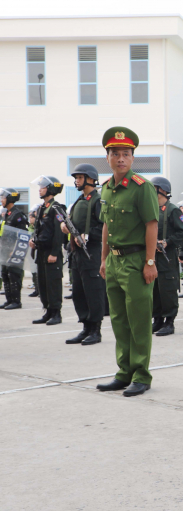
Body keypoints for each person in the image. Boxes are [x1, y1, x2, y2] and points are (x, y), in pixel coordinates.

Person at [95, 127, 160, 397]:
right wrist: (103, 259)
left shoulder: (141, 188)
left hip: (136, 261)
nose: (120, 158)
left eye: (125, 154)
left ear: (132, 158)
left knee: (139, 321)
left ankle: (142, 375)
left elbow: (152, 225)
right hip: (114, 262)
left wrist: (150, 261)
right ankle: (124, 372)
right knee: (119, 321)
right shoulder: (107, 189)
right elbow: (106, 227)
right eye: (115, 154)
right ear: (107, 157)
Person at [62, 165, 106, 345]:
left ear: (90, 179)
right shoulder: (80, 201)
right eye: (77, 178)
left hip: (92, 253)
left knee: (93, 292)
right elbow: (72, 224)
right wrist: (65, 228)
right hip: (77, 253)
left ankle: (96, 330)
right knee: (79, 292)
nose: (77, 181)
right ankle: (86, 327)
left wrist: (87, 236)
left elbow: (105, 227)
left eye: (80, 177)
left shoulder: (98, 201)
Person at [150, 176, 183, 337]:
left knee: (167, 289)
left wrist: (168, 242)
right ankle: (157, 319)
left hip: (167, 256)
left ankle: (169, 322)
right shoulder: (151, 209)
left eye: (154, 188)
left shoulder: (172, 210)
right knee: (155, 289)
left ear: (163, 190)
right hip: (152, 257)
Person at [30, 176, 66, 326]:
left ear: (50, 189)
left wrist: (54, 252)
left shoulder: (57, 208)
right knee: (43, 284)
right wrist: (33, 239)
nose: (40, 189)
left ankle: (56, 313)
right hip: (41, 252)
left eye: (43, 186)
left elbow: (59, 232)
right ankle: (48, 311)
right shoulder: (41, 208)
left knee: (53, 284)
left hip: (52, 253)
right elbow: (38, 229)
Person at [0, 188, 29, 310]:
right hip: (5, 251)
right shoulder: (7, 214)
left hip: (14, 251)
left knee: (14, 276)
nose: (1, 200)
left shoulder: (18, 215)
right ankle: (9, 300)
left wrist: (16, 250)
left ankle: (16, 301)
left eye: (3, 197)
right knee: (5, 275)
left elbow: (23, 235)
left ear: (10, 199)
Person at [28, 209, 39, 298]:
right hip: (30, 251)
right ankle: (36, 288)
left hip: (36, 250)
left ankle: (39, 289)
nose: (30, 219)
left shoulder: (37, 226)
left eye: (32, 217)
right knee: (33, 271)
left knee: (38, 271)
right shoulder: (29, 227)